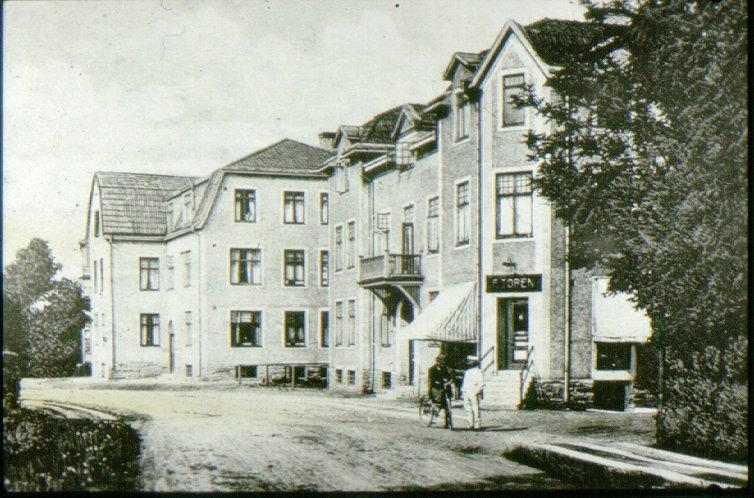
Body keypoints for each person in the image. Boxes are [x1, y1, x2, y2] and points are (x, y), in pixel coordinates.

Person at [427, 353, 453, 429]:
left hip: (445, 388)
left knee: (447, 406)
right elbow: (430, 380)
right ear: (438, 361)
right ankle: (435, 409)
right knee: (438, 402)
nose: (442, 364)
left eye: (443, 362)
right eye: (441, 362)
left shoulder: (445, 368)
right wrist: (436, 383)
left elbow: (449, 377)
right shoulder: (432, 369)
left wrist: (450, 381)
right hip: (436, 388)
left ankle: (447, 423)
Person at [462, 355, 484, 430]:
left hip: (473, 391)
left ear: (474, 363)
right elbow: (465, 383)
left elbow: (481, 384)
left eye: (470, 362)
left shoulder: (478, 371)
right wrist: (464, 391)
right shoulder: (467, 371)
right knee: (467, 408)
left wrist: (476, 392)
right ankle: (469, 424)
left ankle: (477, 425)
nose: (468, 363)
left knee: (475, 408)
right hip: (466, 391)